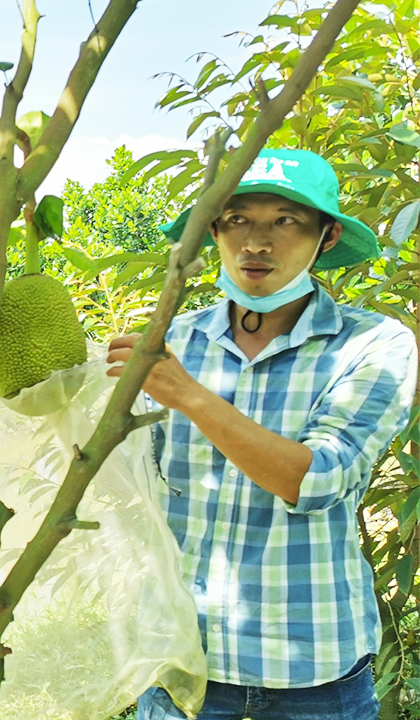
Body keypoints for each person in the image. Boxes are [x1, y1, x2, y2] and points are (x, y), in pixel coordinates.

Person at [106, 148, 417, 720]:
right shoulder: (170, 342)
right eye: (238, 219)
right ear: (215, 232)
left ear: (326, 238)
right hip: (182, 663)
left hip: (312, 670)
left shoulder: (374, 344)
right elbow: (125, 476)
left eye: (285, 221)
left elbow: (319, 479)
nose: (256, 242)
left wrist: (191, 396)